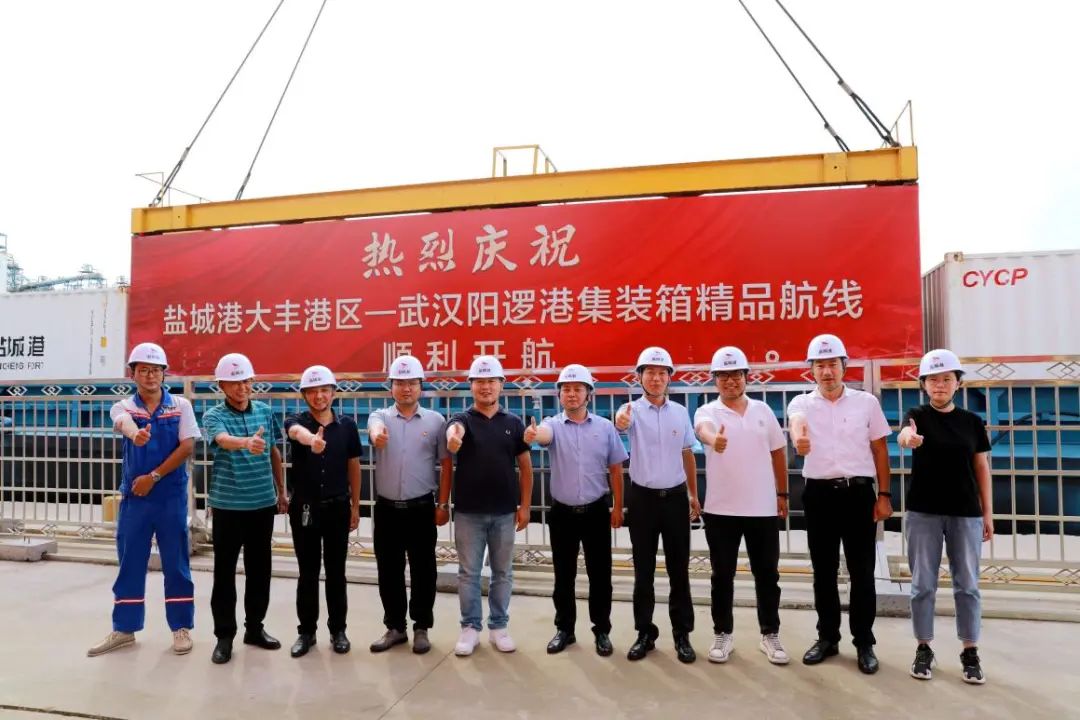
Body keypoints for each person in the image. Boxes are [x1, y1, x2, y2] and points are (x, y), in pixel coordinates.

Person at [787, 334, 893, 674]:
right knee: (824, 571)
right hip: (819, 496)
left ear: (844, 366)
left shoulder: (866, 403)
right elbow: (796, 424)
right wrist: (799, 440)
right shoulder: (801, 403)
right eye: (820, 365)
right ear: (811, 370)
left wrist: (884, 495)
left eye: (832, 364)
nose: (827, 371)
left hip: (858, 495)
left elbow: (879, 449)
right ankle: (827, 638)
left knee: (862, 572)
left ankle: (863, 641)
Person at [88, 342, 200, 657]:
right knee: (130, 562)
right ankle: (124, 629)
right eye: (144, 370)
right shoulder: (124, 407)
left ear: (164, 374)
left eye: (155, 370)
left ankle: (181, 628)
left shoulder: (180, 406)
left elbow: (187, 446)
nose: (150, 375)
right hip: (135, 498)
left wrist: (154, 476)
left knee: (176, 563)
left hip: (169, 496)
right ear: (133, 374)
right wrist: (135, 433)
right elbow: (123, 422)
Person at [898, 349, 992, 684]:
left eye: (946, 379)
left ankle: (970, 650)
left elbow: (981, 467)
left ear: (957, 384)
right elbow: (904, 436)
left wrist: (987, 513)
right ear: (923, 384)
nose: (940, 385)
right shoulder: (916, 416)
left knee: (967, 585)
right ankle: (924, 647)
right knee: (922, 584)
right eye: (933, 379)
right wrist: (909, 439)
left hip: (965, 513)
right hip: (923, 512)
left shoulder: (972, 422)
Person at [693, 346, 790, 666]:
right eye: (723, 376)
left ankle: (770, 633)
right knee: (722, 575)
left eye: (736, 375)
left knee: (767, 575)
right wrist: (714, 440)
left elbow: (778, 452)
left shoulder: (763, 411)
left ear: (747, 377)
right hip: (721, 510)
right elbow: (702, 430)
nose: (730, 381)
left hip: (762, 508)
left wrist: (782, 494)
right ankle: (723, 633)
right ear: (715, 380)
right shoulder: (707, 411)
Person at [526, 364, 627, 657]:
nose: (571, 394)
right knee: (564, 575)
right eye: (566, 390)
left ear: (588, 394)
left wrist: (617, 507)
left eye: (577, 389)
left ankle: (602, 630)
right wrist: (534, 433)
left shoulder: (605, 428)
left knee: (600, 575)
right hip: (563, 514)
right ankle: (565, 630)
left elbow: (616, 469)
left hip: (596, 511)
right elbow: (543, 435)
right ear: (559, 395)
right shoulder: (553, 425)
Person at [614, 346, 700, 663]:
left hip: (675, 499)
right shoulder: (631, 410)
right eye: (649, 372)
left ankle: (682, 634)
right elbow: (620, 424)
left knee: (679, 570)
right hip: (643, 501)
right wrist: (621, 420)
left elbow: (687, 453)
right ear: (639, 377)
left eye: (662, 372)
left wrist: (693, 494)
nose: (655, 378)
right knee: (644, 571)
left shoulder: (680, 412)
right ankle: (645, 633)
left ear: (669, 378)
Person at [202, 352, 288, 665]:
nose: (241, 388)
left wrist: (281, 490)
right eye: (234, 382)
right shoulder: (212, 415)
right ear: (221, 386)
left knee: (259, 570)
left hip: (262, 504)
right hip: (228, 506)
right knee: (224, 573)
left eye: (246, 381)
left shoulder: (265, 411)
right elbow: (222, 439)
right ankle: (224, 636)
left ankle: (255, 628)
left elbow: (274, 451)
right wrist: (246, 442)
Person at [444, 355, 533, 656]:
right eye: (479, 381)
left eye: (491, 381)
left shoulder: (513, 423)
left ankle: (499, 627)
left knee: (502, 572)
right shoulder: (462, 420)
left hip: (505, 512)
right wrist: (453, 439)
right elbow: (454, 432)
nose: (485, 387)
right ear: (471, 385)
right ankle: (470, 628)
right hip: (469, 513)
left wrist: (525, 506)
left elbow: (526, 467)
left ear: (501, 385)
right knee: (468, 572)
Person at [366, 355, 451, 655]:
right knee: (388, 570)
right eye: (400, 383)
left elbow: (446, 463)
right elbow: (374, 429)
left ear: (420, 386)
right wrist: (377, 436)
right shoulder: (380, 416)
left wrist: (443, 504)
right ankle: (395, 627)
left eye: (412, 383)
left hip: (421, 508)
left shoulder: (435, 421)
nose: (406, 389)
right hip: (387, 509)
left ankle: (421, 627)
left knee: (424, 569)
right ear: (390, 386)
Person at [285, 365, 362, 658]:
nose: (319, 396)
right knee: (307, 572)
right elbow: (296, 433)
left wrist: (356, 505)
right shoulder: (296, 421)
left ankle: (338, 630)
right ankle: (306, 632)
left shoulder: (347, 426)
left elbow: (353, 465)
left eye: (324, 390)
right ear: (304, 395)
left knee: (336, 572)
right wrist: (312, 441)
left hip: (337, 507)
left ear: (333, 393)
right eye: (312, 391)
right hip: (305, 508)